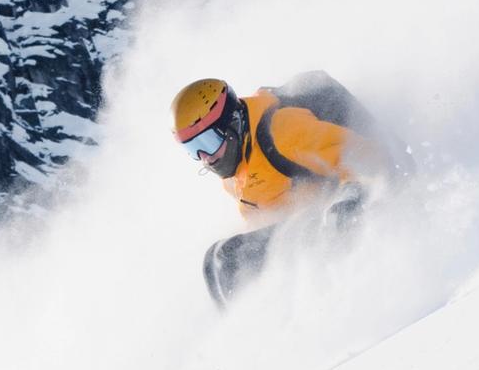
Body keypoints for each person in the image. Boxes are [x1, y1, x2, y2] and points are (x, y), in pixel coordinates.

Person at [170, 71, 412, 307]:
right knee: (221, 262)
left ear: (232, 124)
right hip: (310, 223)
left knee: (228, 259)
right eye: (194, 150)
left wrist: (349, 200)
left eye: (208, 143)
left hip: (355, 208)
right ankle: (257, 328)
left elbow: (367, 157)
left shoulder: (283, 131)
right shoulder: (235, 175)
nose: (206, 159)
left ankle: (348, 301)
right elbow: (265, 219)